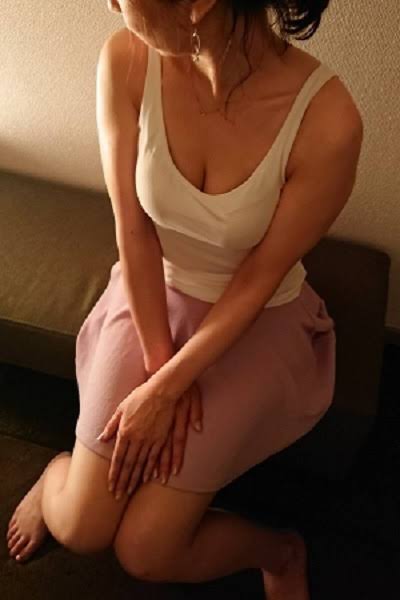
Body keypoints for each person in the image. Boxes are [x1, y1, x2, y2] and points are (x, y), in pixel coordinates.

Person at [7, 1, 363, 598]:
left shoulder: (328, 120)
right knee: (81, 526)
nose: (111, 3)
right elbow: (133, 228)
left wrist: (172, 387)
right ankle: (54, 476)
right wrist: (157, 373)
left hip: (258, 316)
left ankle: (280, 552)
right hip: (154, 293)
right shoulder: (125, 59)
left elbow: (260, 276)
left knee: (146, 551)